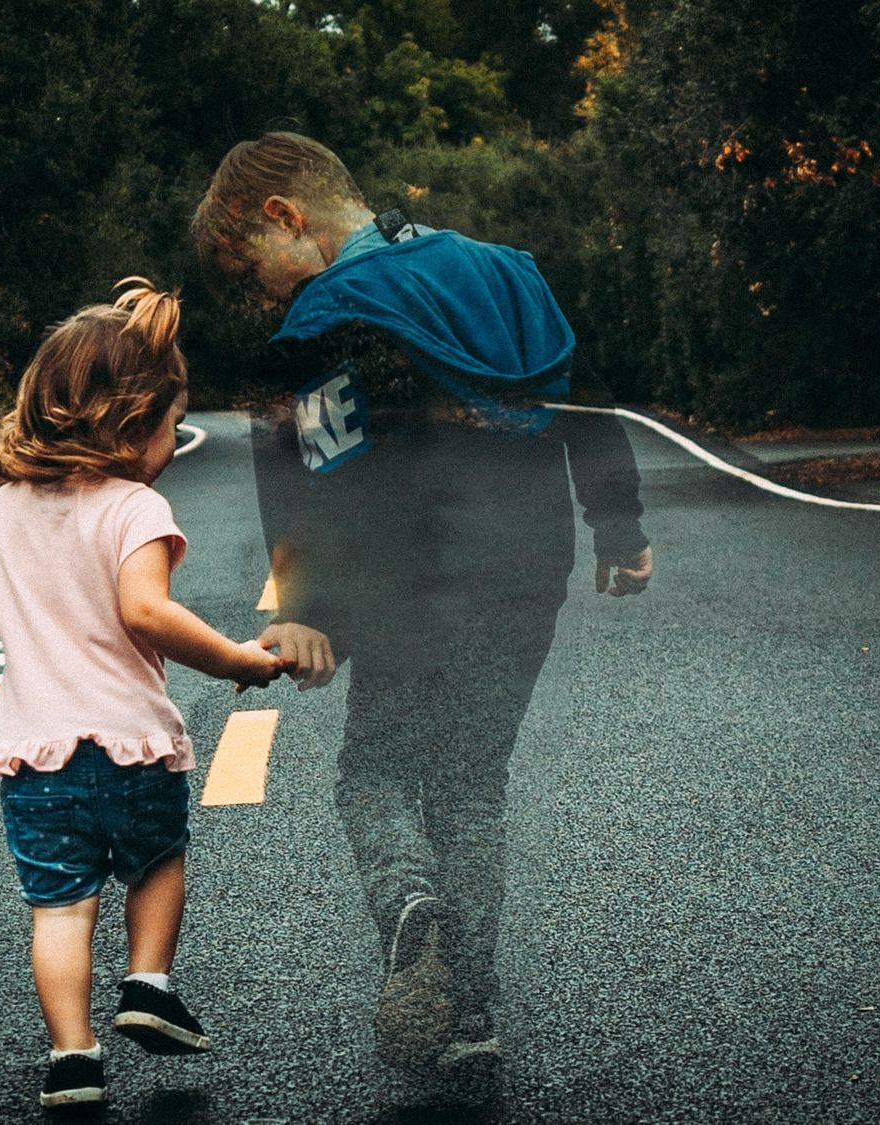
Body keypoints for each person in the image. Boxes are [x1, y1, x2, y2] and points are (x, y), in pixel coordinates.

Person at [192, 133, 654, 1077]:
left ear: (285, 217)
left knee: (376, 772)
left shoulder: (327, 316)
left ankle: (410, 903)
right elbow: (587, 395)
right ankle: (471, 1013)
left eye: (250, 268)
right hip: (528, 568)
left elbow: (313, 469)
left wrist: (306, 606)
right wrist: (619, 524)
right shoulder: (506, 272)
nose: (263, 294)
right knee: (474, 780)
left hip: (408, 585)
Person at [0, 278, 294, 1110]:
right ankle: (147, 980)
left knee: (61, 909)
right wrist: (237, 660)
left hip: (36, 759)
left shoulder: (1, 511)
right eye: (173, 425)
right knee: (158, 858)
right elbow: (146, 610)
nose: (174, 442)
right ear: (133, 422)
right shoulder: (135, 507)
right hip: (131, 745)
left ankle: (73, 1055)